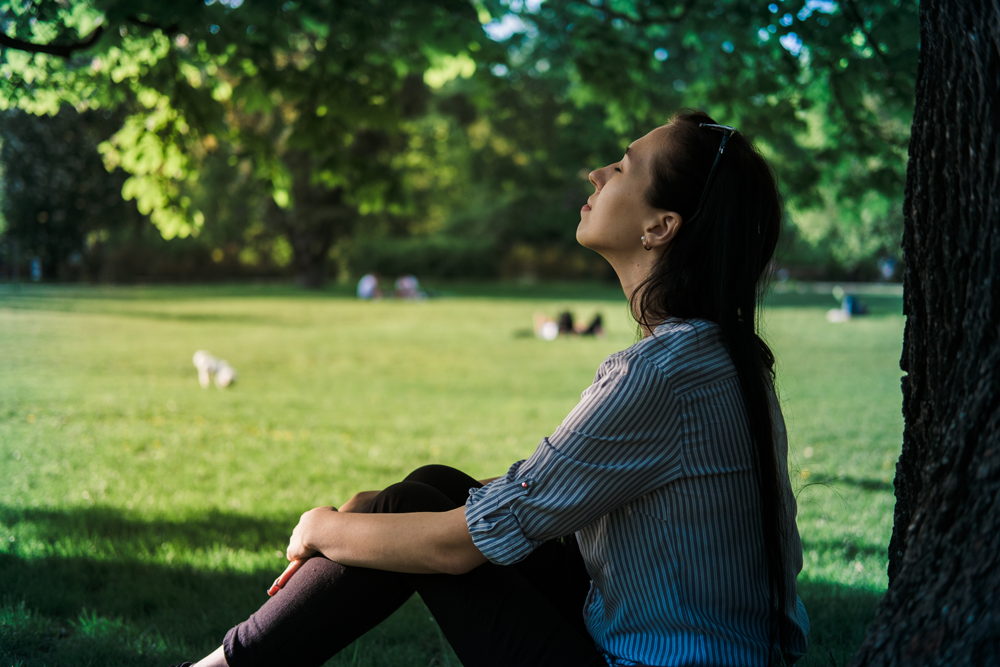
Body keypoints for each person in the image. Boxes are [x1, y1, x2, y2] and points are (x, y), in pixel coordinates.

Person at [174, 110, 810, 667]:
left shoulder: (659, 373)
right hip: (685, 642)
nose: (596, 174)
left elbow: (459, 548)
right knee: (431, 488)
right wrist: (369, 520)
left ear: (660, 227)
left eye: (622, 168)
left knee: (415, 517)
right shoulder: (722, 356)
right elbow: (512, 510)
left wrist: (324, 527)